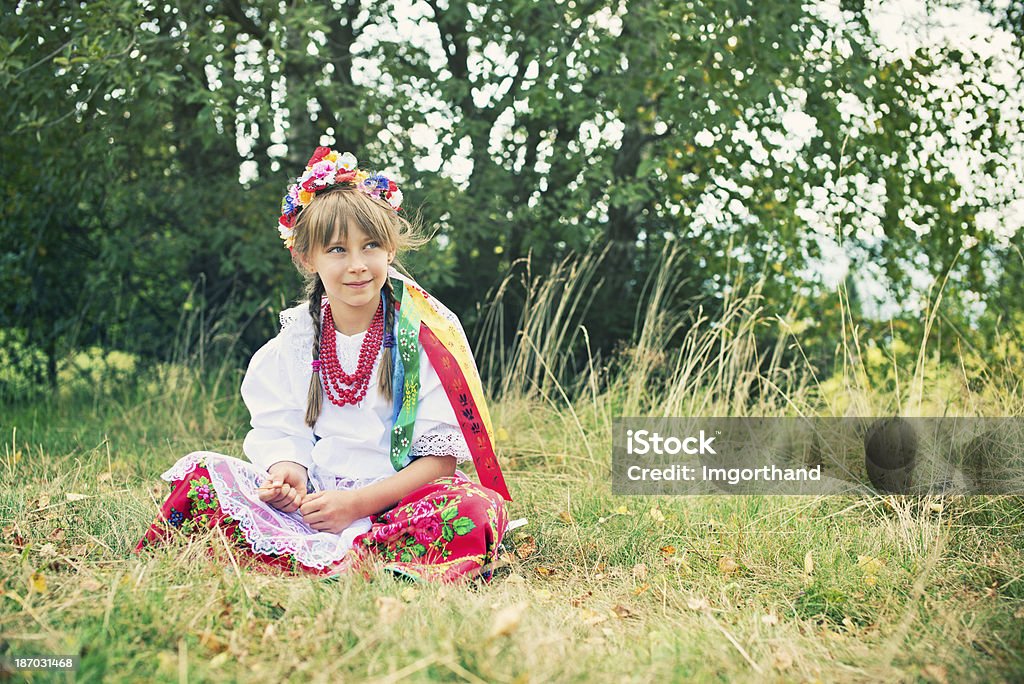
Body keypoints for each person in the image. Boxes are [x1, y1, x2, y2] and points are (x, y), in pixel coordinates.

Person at [135, 147, 511, 583]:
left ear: (390, 250)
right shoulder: (297, 340)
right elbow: (284, 430)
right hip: (314, 508)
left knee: (474, 507)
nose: (356, 265)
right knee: (202, 475)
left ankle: (361, 561)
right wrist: (288, 476)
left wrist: (355, 505)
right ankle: (338, 558)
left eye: (370, 245)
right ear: (306, 257)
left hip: (401, 500)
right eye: (337, 249)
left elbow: (439, 462)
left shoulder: (423, 334)